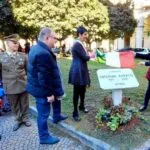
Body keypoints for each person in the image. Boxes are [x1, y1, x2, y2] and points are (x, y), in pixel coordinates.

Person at [26, 27, 67, 145]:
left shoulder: (36, 48)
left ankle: (57, 116)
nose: (55, 40)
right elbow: (44, 77)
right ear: (47, 37)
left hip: (39, 87)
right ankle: (44, 137)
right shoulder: (42, 53)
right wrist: (49, 94)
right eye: (54, 38)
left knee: (48, 108)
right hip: (42, 90)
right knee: (43, 113)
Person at [0, 34, 31, 131]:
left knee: (25, 102)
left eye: (17, 42)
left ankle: (25, 119)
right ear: (8, 43)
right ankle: (18, 120)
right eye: (14, 43)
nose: (17, 44)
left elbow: (28, 70)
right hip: (9, 85)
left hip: (22, 84)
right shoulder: (1, 57)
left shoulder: (23, 56)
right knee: (14, 104)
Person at [68, 26, 94, 122]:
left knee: (83, 90)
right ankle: (75, 112)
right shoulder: (77, 44)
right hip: (77, 70)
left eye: (86, 34)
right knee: (77, 92)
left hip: (81, 69)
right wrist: (92, 55)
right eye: (84, 34)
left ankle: (81, 106)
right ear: (79, 34)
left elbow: (84, 57)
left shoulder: (80, 44)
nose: (86, 36)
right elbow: (85, 57)